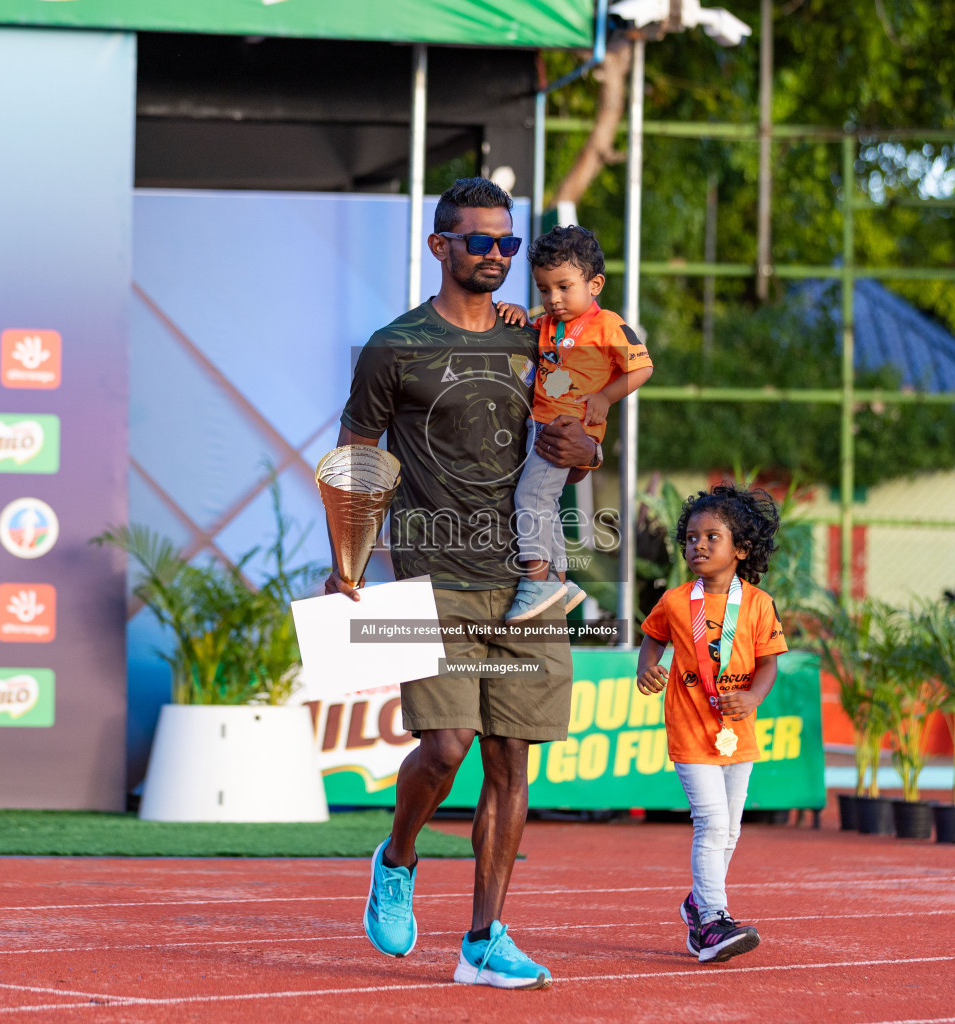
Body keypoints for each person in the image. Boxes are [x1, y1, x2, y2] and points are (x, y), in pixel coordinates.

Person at [330, 178, 597, 990]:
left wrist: (584, 453)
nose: (495, 256)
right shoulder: (394, 346)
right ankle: (398, 855)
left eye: (507, 244)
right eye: (479, 241)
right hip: (430, 572)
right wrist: (348, 555)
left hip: (530, 579)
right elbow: (358, 445)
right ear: (440, 246)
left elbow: (580, 443)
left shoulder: (538, 344)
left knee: (511, 761)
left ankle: (484, 939)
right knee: (445, 748)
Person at [636, 484, 785, 963]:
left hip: (737, 733)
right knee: (712, 822)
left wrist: (754, 696)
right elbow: (652, 641)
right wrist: (647, 668)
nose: (698, 545)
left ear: (741, 549)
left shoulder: (758, 604)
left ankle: (698, 905)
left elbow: (768, 664)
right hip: (689, 728)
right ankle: (713, 920)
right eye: (692, 537)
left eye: (711, 537)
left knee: (733, 829)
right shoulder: (677, 602)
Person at [492, 226, 653, 622]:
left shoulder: (610, 325)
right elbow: (527, 333)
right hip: (538, 427)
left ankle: (536, 586)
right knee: (542, 504)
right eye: (544, 290)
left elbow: (643, 367)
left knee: (530, 500)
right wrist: (516, 312)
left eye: (564, 287)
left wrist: (605, 397)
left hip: (567, 431)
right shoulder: (546, 322)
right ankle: (561, 583)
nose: (553, 299)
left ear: (595, 284)